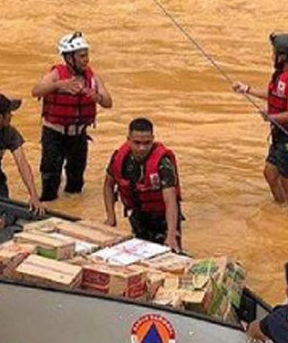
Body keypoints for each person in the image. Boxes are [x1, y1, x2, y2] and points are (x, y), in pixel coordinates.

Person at [232, 33, 288, 211]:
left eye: (274, 52)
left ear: (283, 56)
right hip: (281, 135)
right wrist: (246, 90)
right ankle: (281, 209)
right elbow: (274, 97)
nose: (272, 55)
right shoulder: (284, 75)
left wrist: (271, 117)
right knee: (270, 174)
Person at [32, 31, 113, 201]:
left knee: (76, 182)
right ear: (69, 58)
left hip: (78, 136)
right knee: (50, 179)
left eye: (86, 55)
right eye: (82, 56)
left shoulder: (92, 77)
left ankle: (73, 208)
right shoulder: (56, 74)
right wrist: (59, 85)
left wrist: (96, 97)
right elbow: (36, 91)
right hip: (54, 134)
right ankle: (49, 208)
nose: (86, 60)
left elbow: (108, 102)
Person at [103, 118, 182, 250]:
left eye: (147, 143)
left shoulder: (163, 164)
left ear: (153, 139)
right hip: (137, 214)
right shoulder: (119, 158)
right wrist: (111, 217)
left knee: (169, 251)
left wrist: (171, 235)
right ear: (128, 140)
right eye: (137, 143)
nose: (142, 148)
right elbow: (108, 186)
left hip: (162, 217)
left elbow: (171, 202)